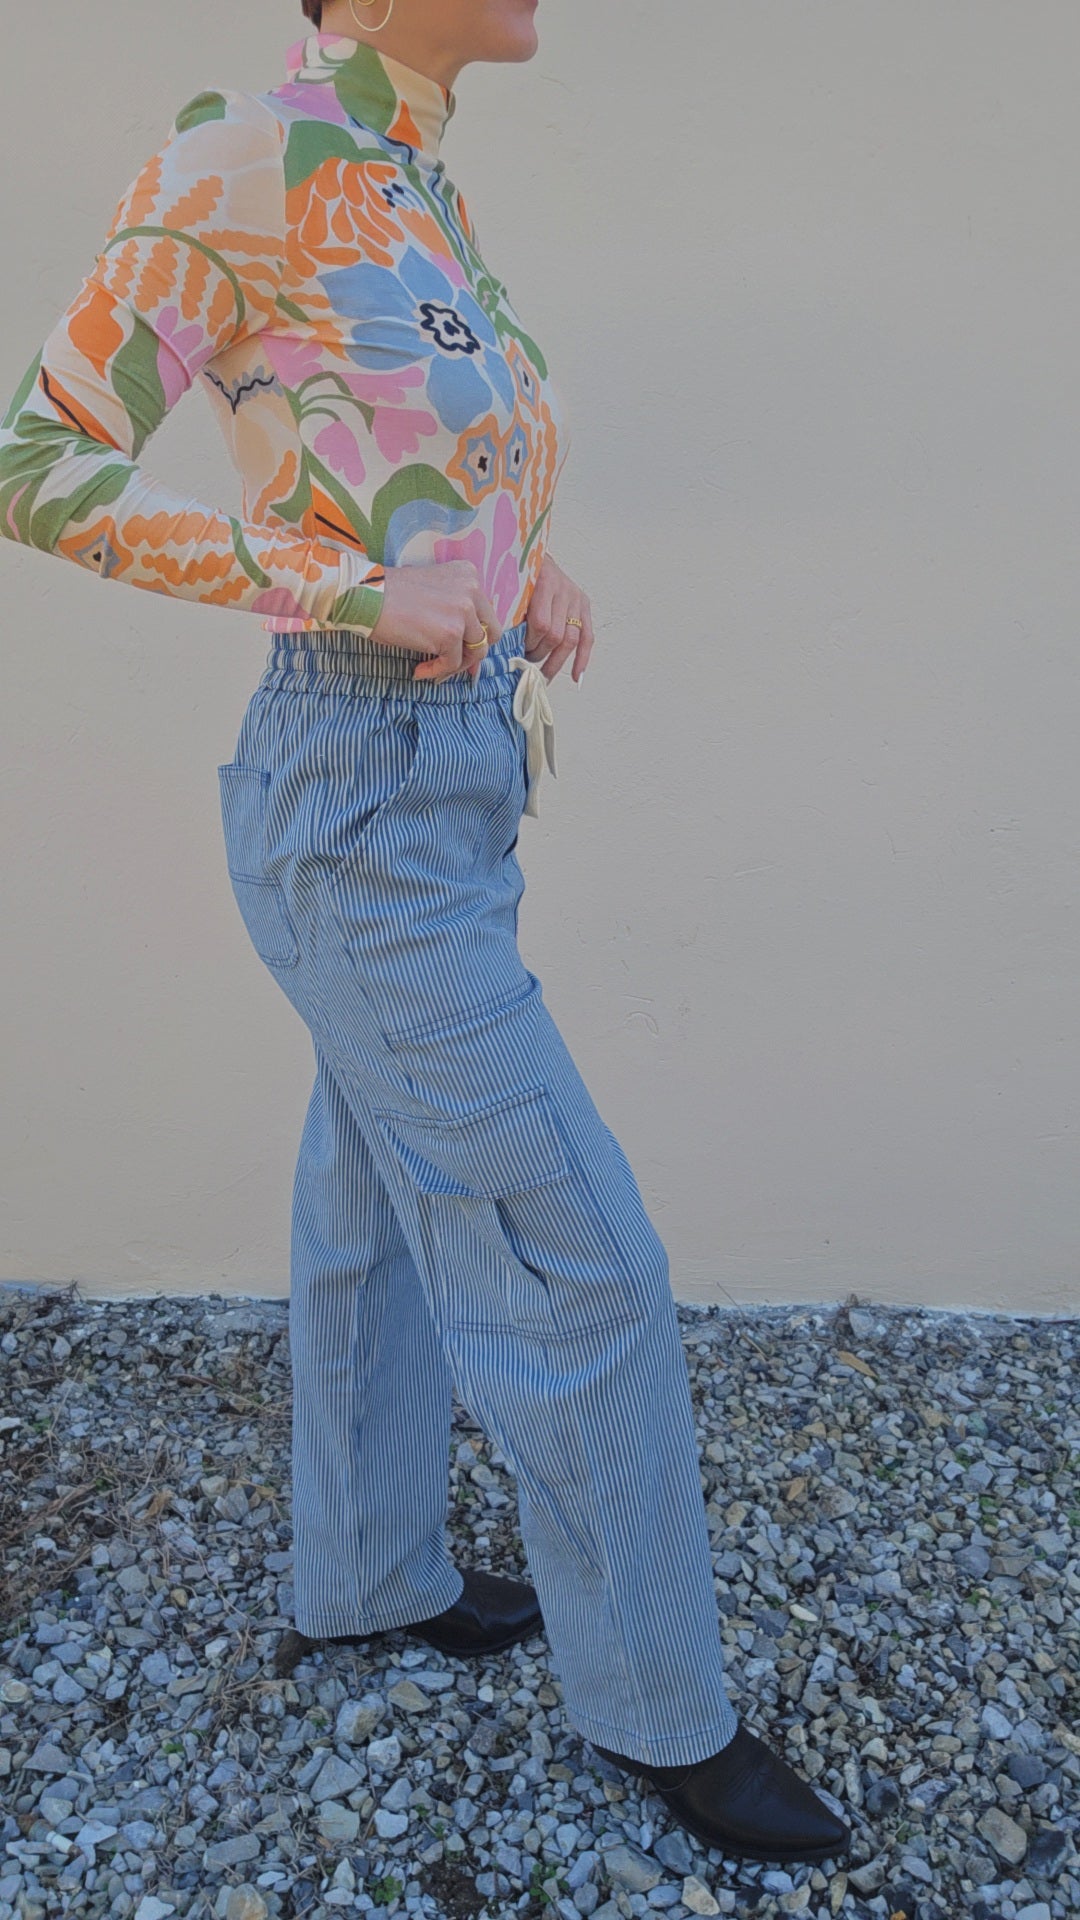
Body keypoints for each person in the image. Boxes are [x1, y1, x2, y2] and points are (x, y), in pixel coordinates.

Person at [0, 0, 854, 1868]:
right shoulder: (245, 149)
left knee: (378, 1203)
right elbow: (34, 462)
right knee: (583, 1255)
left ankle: (371, 1574)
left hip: (444, 789)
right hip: (358, 804)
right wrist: (338, 585)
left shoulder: (407, 178)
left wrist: (513, 561)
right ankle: (664, 1713)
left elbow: (389, 450)